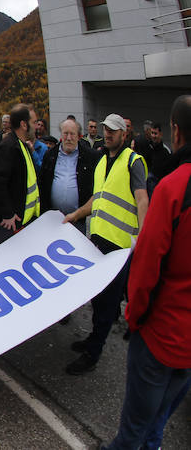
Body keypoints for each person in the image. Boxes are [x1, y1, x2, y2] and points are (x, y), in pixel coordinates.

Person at [102, 95, 191, 449]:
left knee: (133, 430)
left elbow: (146, 265)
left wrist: (135, 316)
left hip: (160, 333)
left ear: (175, 131)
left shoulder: (173, 187)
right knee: (158, 422)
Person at [63, 113, 149, 375]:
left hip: (120, 246)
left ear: (124, 134)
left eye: (114, 130)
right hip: (98, 240)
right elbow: (96, 199)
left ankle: (94, 351)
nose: (108, 134)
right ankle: (93, 339)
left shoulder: (133, 161)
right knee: (98, 298)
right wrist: (75, 215)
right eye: (105, 130)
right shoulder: (102, 161)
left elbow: (142, 199)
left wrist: (144, 239)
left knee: (108, 302)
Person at [0, 104, 41, 245]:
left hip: (20, 220)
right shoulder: (9, 147)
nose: (37, 127)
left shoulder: (21, 145)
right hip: (10, 223)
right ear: (23, 124)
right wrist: (7, 213)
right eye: (33, 123)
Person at [38, 118, 99, 234]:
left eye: (72, 134)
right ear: (61, 135)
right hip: (52, 219)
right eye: (66, 134)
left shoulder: (90, 156)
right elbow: (42, 183)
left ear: (79, 136)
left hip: (78, 219)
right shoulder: (50, 155)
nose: (69, 138)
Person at [137, 122, 172, 194]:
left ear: (161, 134)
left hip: (158, 185)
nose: (153, 136)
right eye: (152, 133)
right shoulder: (146, 147)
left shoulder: (165, 152)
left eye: (155, 133)